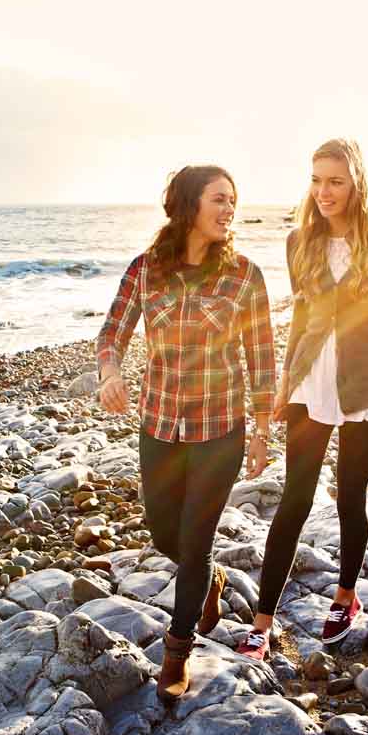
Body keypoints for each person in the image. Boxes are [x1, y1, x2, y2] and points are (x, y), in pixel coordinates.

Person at [236, 138, 368, 660]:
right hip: (310, 379)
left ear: (357, 182)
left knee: (349, 496)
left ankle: (346, 596)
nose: (323, 191)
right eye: (316, 179)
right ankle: (263, 621)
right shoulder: (300, 239)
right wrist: (282, 382)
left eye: (335, 181)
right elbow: (300, 313)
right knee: (294, 498)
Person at [96, 165, 275, 701]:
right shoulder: (146, 270)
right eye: (219, 199)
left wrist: (263, 428)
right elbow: (113, 332)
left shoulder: (245, 275)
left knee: (195, 543)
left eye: (233, 201)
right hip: (159, 424)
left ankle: (178, 651)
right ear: (188, 205)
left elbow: (262, 358)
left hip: (220, 428)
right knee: (162, 534)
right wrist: (110, 372)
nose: (229, 210)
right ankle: (212, 582)